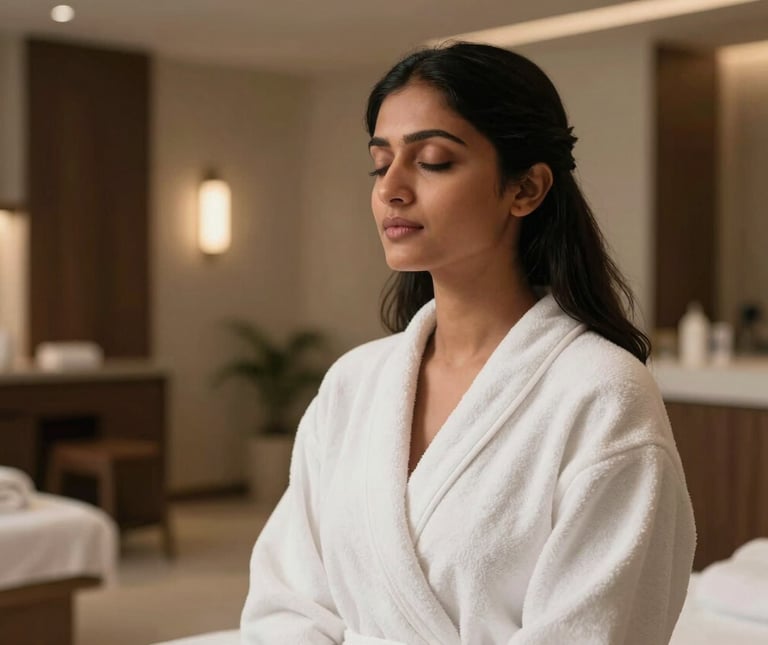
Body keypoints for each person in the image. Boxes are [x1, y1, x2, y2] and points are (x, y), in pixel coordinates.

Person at [240, 42, 696, 645]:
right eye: (380, 163)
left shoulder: (601, 394)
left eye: (432, 161)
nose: (391, 188)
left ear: (526, 188)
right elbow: (287, 601)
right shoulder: (354, 382)